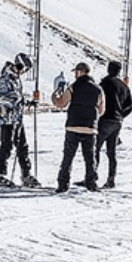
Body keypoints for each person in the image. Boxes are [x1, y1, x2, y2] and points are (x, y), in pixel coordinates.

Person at [0, 53, 41, 188]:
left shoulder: (16, 79)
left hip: (17, 118)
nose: (24, 72)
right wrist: (16, 100)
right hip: (7, 118)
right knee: (6, 146)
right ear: (18, 65)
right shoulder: (5, 79)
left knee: (22, 146)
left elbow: (18, 99)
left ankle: (26, 174)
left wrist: (30, 103)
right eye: (24, 69)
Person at [52, 62, 105, 192]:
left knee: (68, 157)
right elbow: (101, 110)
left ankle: (63, 184)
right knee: (89, 158)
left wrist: (54, 96)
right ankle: (91, 183)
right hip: (90, 128)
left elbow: (61, 103)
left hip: (73, 127)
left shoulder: (73, 87)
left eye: (76, 71)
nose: (75, 74)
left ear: (81, 72)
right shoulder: (98, 89)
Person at [96, 61, 132, 188]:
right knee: (111, 152)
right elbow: (129, 106)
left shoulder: (104, 83)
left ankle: (91, 178)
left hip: (104, 119)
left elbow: (97, 101)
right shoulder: (124, 86)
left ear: (108, 69)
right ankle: (111, 179)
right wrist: (120, 116)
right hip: (117, 121)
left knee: (95, 149)